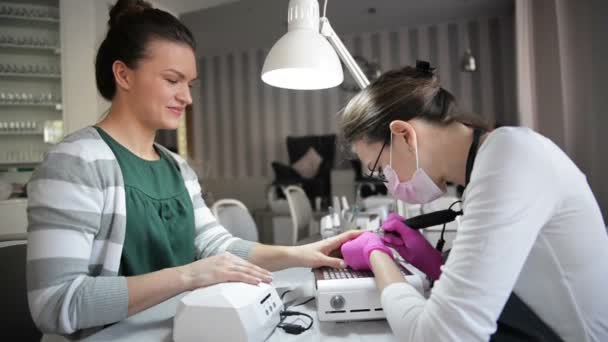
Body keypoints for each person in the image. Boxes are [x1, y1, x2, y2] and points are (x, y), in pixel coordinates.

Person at [25, 1, 360, 340]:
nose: (187, 97)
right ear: (123, 74)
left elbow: (215, 244)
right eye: (173, 80)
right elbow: (55, 304)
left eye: (190, 84)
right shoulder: (76, 163)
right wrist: (189, 276)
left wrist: (299, 255)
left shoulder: (176, 167)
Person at [338, 61, 608, 341]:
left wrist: (378, 257)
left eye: (381, 168)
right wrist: (433, 262)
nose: (389, 182)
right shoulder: (493, 159)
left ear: (405, 135)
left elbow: (440, 337)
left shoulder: (510, 160)